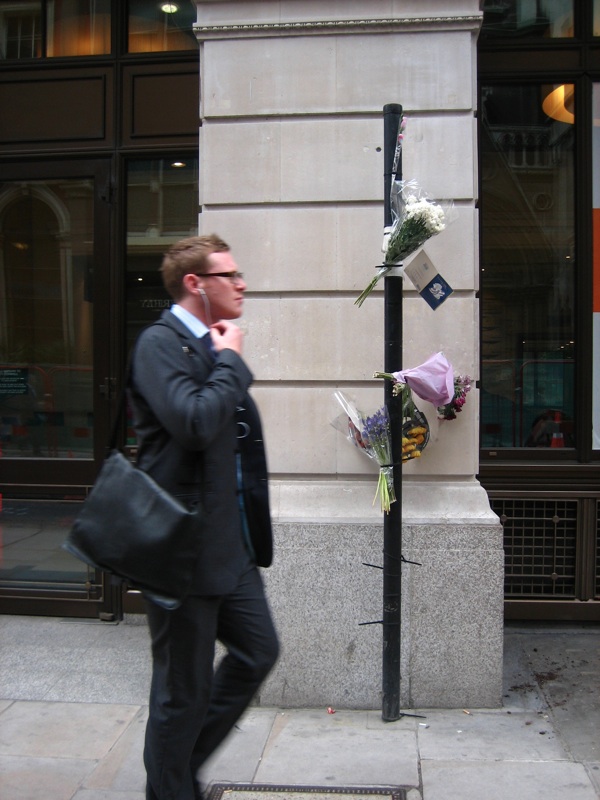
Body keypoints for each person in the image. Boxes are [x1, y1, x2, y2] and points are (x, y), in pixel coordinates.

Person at [127, 234, 279, 800]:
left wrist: (224, 358)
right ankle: (170, 787)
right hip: (182, 550)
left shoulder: (211, 343)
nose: (242, 284)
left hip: (229, 546)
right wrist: (232, 361)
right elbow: (192, 421)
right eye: (229, 275)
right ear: (195, 283)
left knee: (258, 651)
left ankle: (174, 771)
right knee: (181, 692)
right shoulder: (158, 343)